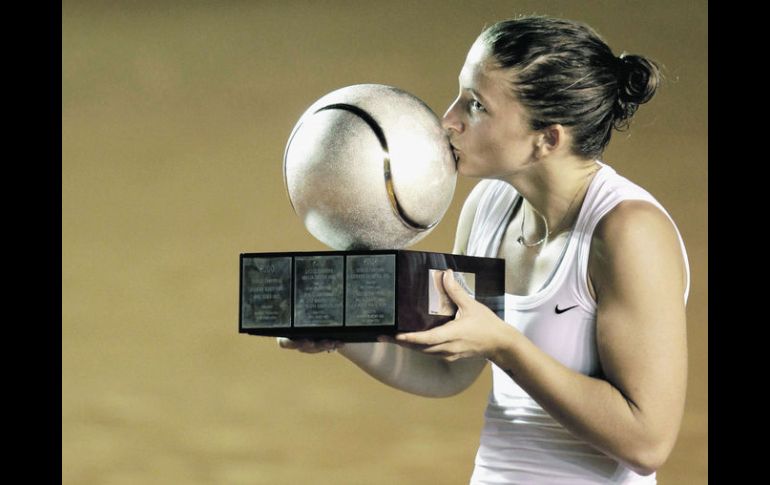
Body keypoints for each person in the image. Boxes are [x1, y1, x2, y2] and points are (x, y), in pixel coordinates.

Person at [280, 15, 689, 484]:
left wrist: (504, 344)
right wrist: (344, 337)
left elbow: (647, 442)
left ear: (547, 139)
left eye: (476, 106)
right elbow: (449, 372)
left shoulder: (628, 231)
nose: (447, 120)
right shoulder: (490, 206)